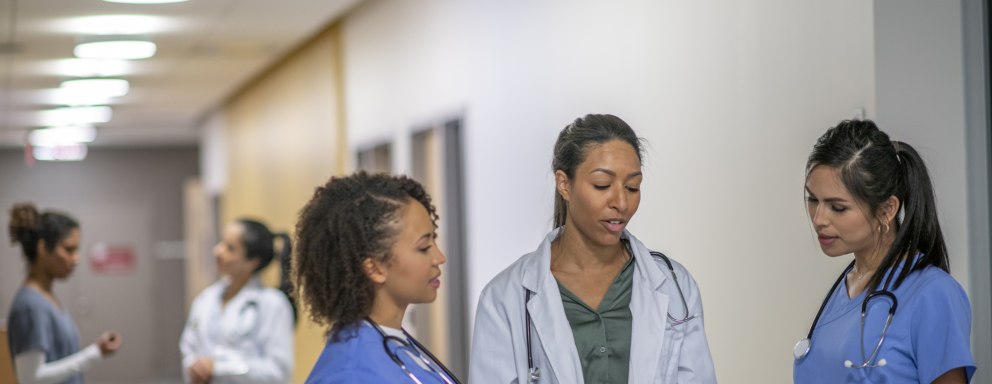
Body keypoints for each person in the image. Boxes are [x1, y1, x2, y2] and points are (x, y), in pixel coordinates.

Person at [470, 114, 716, 383]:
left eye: (632, 187)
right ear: (564, 184)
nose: (621, 202)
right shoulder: (504, 298)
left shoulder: (675, 285)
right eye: (602, 185)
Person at [793, 119, 976, 383]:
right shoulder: (843, 290)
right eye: (813, 200)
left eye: (838, 207)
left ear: (887, 209)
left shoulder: (933, 294)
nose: (819, 218)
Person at [294, 172, 459, 383]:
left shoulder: (394, 343)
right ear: (375, 269)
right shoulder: (351, 373)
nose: (440, 258)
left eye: (434, 240)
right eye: (424, 247)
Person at [6, 203, 122, 384]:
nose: (76, 259)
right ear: (43, 248)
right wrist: (95, 353)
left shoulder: (48, 298)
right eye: (69, 250)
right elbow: (31, 378)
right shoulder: (30, 306)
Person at [180, 219, 295, 384]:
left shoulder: (272, 304)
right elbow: (188, 348)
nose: (218, 251)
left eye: (230, 248)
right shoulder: (205, 299)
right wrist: (195, 367)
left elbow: (277, 372)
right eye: (221, 242)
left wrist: (219, 369)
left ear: (252, 261)